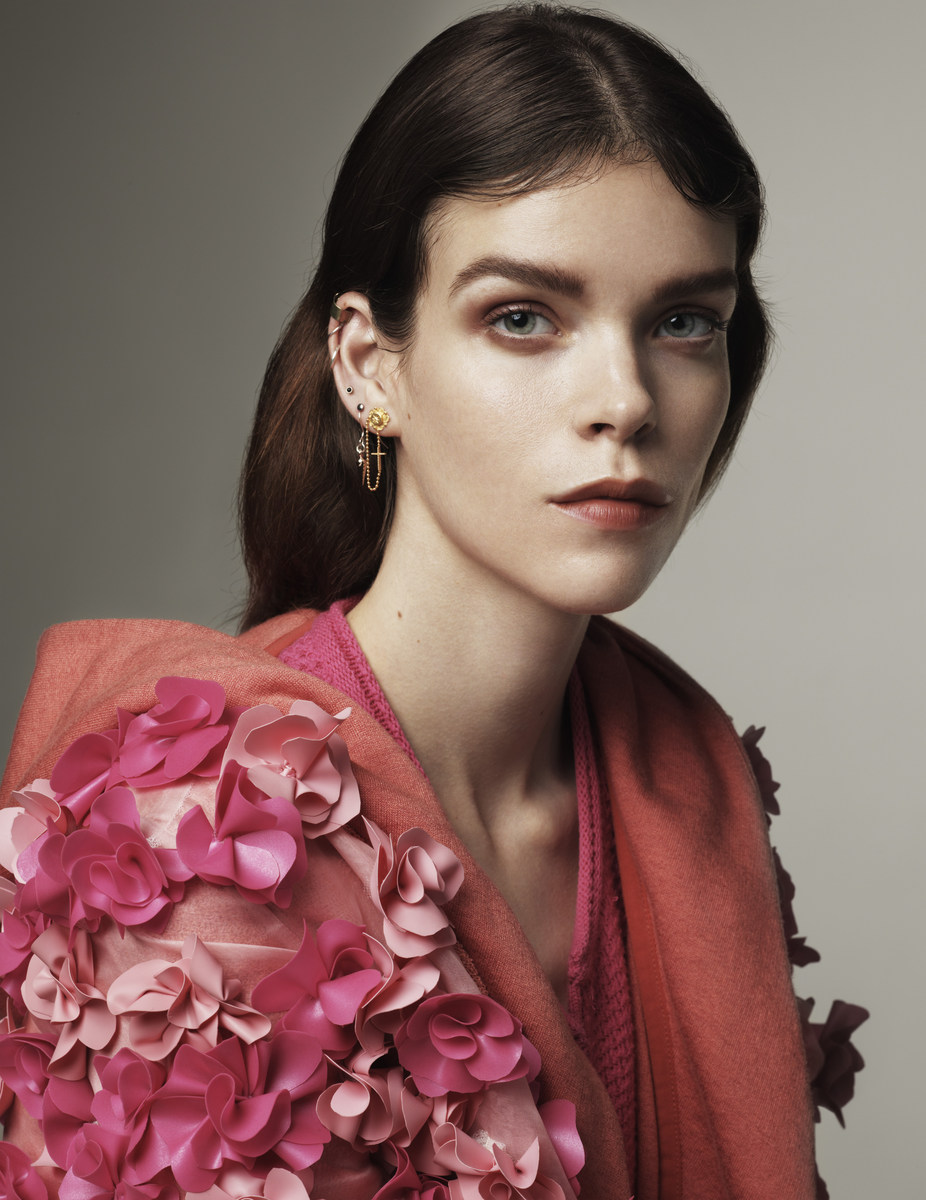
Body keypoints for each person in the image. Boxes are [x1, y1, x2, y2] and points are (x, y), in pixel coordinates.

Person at [0, 5, 866, 1198]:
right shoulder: (201, 846)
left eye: (682, 323)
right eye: (522, 317)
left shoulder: (688, 784)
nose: (624, 399)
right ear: (369, 365)